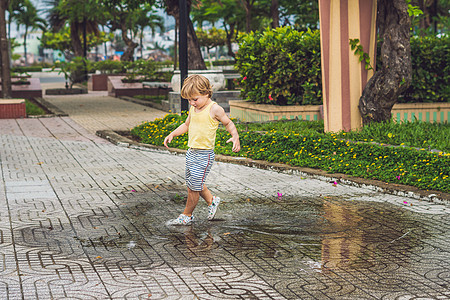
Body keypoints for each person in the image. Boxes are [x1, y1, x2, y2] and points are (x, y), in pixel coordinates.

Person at [164, 74, 240, 225]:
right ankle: (212, 200)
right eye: (189, 100)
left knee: (193, 188)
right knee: (192, 183)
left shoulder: (214, 109)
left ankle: (187, 215)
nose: (192, 103)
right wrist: (173, 133)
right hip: (191, 152)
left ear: (206, 93)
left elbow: (228, 123)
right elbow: (186, 125)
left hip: (204, 155)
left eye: (195, 99)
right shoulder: (194, 109)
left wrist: (235, 137)